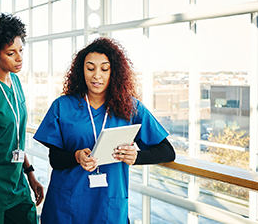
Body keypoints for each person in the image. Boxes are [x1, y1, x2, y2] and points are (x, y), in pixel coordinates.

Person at [33, 37, 176, 224]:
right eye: (90, 68)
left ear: (114, 72)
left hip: (108, 205)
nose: (96, 75)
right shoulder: (62, 106)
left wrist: (136, 157)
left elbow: (167, 151)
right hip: (67, 205)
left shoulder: (131, 108)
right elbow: (55, 160)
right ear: (81, 70)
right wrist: (76, 157)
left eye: (104, 69)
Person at [0, 13, 44, 224]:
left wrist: (30, 173)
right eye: (11, 53)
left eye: (21, 50)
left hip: (18, 182)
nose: (19, 58)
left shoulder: (15, 81)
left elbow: (17, 137)